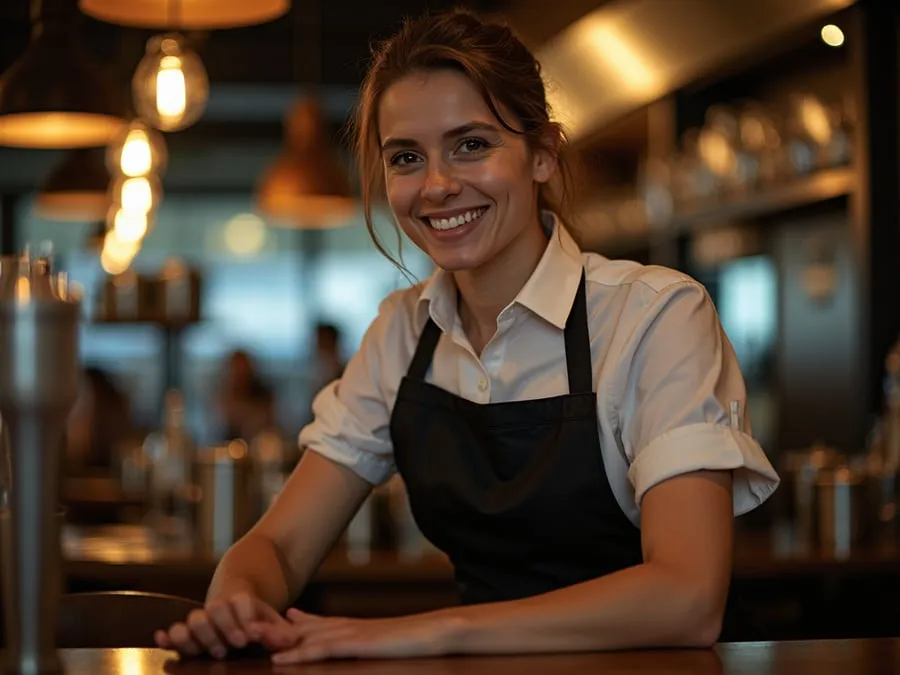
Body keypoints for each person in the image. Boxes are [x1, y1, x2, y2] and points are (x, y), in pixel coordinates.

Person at [155, 8, 779, 664]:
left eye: (472, 144)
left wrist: (436, 628)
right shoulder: (402, 331)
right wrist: (238, 606)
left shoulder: (656, 315)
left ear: (543, 152)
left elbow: (687, 596)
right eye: (406, 157)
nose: (437, 184)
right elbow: (276, 547)